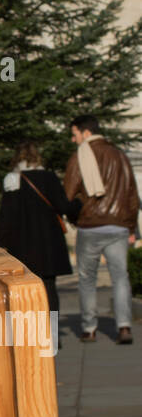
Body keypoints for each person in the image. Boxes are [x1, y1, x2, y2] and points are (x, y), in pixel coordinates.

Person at [64, 115, 139, 344]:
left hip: (90, 226)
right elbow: (132, 194)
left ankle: (89, 329)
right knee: (121, 278)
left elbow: (67, 193)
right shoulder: (120, 156)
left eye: (74, 134)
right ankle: (124, 327)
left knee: (87, 279)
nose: (73, 139)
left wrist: (73, 215)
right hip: (117, 227)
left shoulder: (80, 157)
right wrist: (131, 227)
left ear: (86, 133)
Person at [0, 141, 80, 341]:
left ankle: (31, 333)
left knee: (25, 290)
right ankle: (52, 334)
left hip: (22, 246)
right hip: (49, 244)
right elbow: (63, 205)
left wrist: (3, 244)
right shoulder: (48, 177)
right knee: (49, 289)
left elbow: (6, 217)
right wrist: (78, 204)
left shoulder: (12, 180)